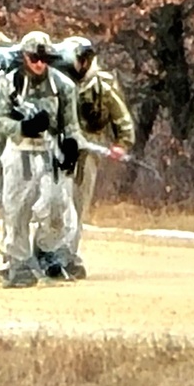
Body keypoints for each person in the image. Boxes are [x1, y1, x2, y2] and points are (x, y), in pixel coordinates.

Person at [0, 31, 83, 288]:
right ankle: (17, 261)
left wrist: (72, 145)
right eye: (34, 58)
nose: (39, 63)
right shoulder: (8, 85)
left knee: (56, 205)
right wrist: (23, 127)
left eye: (44, 58)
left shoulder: (63, 86)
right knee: (17, 208)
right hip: (19, 149)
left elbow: (72, 123)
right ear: (24, 57)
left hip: (50, 150)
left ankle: (45, 250)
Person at [61, 36, 136, 264]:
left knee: (78, 202)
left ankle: (69, 254)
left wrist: (122, 143)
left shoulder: (101, 84)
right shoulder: (57, 81)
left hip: (89, 148)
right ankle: (47, 252)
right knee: (53, 201)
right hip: (59, 146)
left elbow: (121, 116)